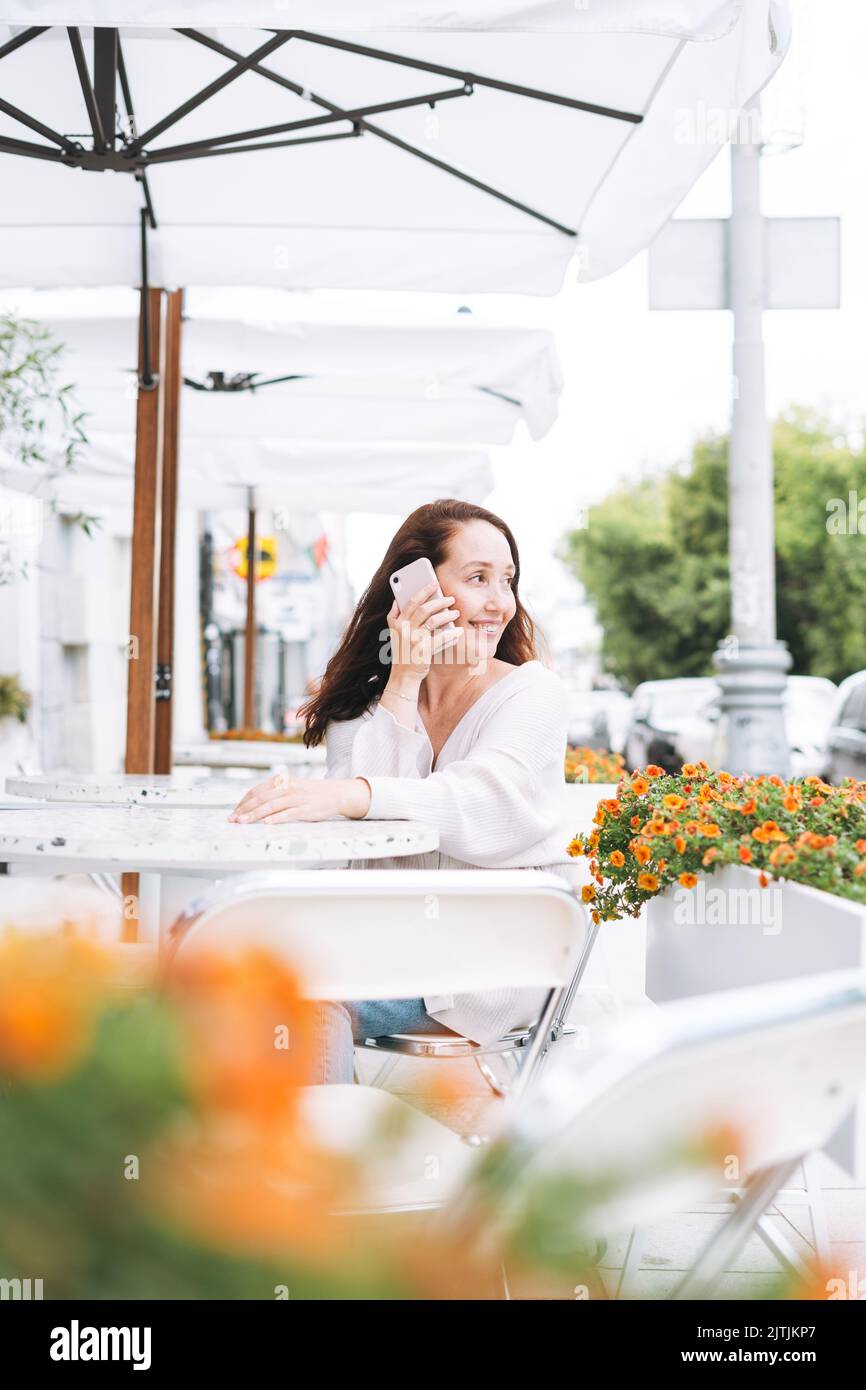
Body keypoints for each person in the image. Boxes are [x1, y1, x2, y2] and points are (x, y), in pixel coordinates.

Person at [228, 499, 577, 1083]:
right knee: (230, 978)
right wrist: (403, 680)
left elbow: (485, 803)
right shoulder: (364, 708)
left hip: (487, 966)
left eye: (507, 581)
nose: (499, 603)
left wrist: (353, 793)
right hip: (387, 950)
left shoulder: (532, 694)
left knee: (301, 1001)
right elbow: (371, 849)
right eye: (477, 579)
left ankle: (314, 1166)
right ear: (415, 589)